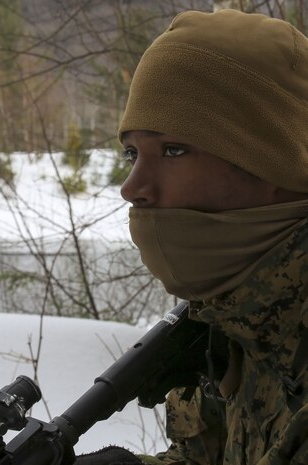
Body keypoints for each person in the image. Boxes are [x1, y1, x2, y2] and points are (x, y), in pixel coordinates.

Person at [75, 8, 308, 465]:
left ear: (277, 164)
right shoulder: (237, 317)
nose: (132, 187)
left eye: (173, 150)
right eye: (131, 154)